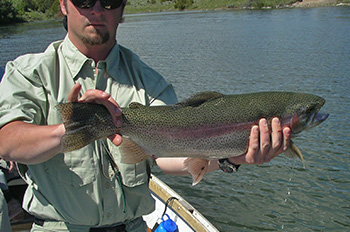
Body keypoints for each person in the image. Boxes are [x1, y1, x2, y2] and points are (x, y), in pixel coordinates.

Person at [0, 0, 291, 231]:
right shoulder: (29, 73)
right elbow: (7, 141)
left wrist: (233, 158)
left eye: (110, 1)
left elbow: (168, 157)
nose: (98, 10)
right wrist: (74, 128)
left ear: (123, 9)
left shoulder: (150, 83)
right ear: (63, 4)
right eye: (84, 0)